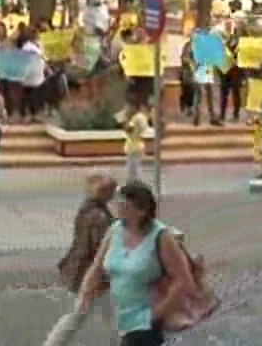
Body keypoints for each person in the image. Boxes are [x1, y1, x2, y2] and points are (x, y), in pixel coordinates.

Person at [77, 181, 195, 346]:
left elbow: (184, 280)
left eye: (126, 207)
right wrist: (84, 295)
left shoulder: (160, 237)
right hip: (121, 318)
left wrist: (156, 313)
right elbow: (96, 267)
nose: (119, 211)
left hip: (146, 325)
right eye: (119, 206)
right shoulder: (116, 230)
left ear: (142, 211)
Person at [46, 173, 119, 346]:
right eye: (112, 191)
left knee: (102, 314)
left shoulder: (86, 209)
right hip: (91, 274)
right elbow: (101, 247)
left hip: (81, 269)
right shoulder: (99, 217)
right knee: (78, 315)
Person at [19, 27, 46, 124]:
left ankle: (35, 114)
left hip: (39, 74)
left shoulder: (39, 45)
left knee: (37, 95)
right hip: (29, 75)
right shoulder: (27, 46)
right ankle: (25, 114)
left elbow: (43, 57)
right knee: (27, 95)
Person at [125, 103, 149, 181]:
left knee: (132, 169)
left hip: (132, 146)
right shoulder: (144, 118)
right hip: (139, 145)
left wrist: (125, 120)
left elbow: (128, 129)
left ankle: (134, 185)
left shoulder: (136, 118)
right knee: (137, 167)